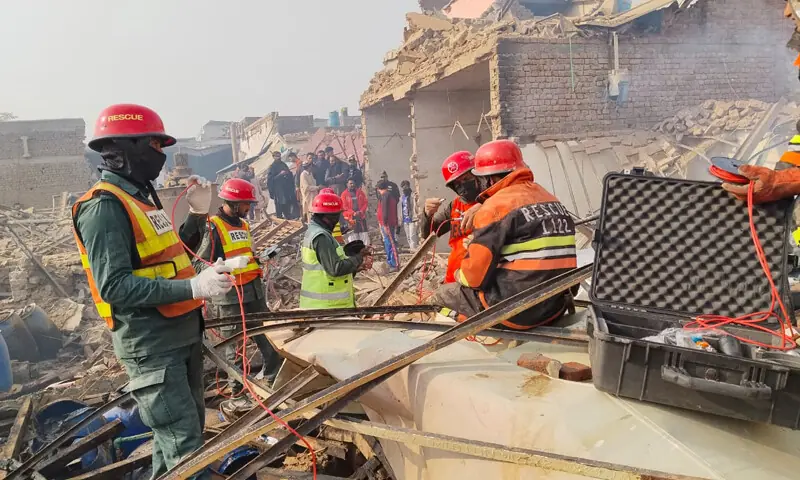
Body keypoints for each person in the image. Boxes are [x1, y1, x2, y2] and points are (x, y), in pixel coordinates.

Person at [72, 104, 233, 478]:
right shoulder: (104, 206)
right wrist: (193, 286)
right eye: (155, 145)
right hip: (153, 346)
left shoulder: (142, 198)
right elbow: (115, 285)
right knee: (186, 452)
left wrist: (196, 215)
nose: (161, 155)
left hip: (180, 337)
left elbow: (172, 256)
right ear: (125, 148)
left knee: (175, 441)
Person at [432, 140, 577, 330]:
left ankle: (482, 332)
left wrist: (460, 273)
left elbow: (474, 279)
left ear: (489, 179)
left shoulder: (494, 208)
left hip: (518, 313)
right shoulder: (552, 200)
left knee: (440, 296)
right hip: (556, 306)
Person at [192, 178, 281, 393]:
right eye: (245, 204)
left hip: (253, 290)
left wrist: (258, 259)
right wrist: (225, 266)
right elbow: (198, 264)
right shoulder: (213, 226)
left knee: (267, 334)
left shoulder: (244, 225)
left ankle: (274, 377)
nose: (248, 208)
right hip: (230, 296)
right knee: (235, 346)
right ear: (233, 203)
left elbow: (245, 254)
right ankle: (237, 391)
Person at [300, 191, 373, 309]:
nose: (338, 221)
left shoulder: (315, 232)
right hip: (326, 306)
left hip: (322, 305)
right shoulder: (321, 237)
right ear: (329, 217)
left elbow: (325, 268)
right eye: (337, 216)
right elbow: (335, 269)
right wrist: (359, 258)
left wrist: (356, 266)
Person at [421, 151, 481, 283]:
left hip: (475, 279)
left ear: (477, 175)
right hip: (453, 278)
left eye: (466, 178)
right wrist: (427, 214)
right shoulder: (455, 205)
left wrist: (484, 206)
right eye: (457, 183)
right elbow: (430, 233)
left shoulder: (494, 200)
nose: (463, 185)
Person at [376, 173, 401, 272]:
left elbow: (385, 210)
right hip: (388, 222)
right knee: (388, 242)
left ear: (379, 189)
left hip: (387, 223)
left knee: (390, 243)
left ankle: (394, 264)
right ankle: (391, 262)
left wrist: (385, 222)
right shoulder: (389, 195)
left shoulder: (385, 195)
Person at [267, 151, 300, 220]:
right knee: (280, 204)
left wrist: (288, 174)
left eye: (279, 156)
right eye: (276, 156)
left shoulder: (283, 164)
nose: (278, 157)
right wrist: (280, 174)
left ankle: (288, 217)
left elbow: (289, 173)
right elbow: (270, 180)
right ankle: (280, 218)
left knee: (287, 203)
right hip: (278, 189)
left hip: (286, 188)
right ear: (273, 157)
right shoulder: (272, 167)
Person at [341, 178, 370, 246]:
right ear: (347, 184)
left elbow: (365, 202)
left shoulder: (360, 192)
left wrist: (361, 211)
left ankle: (365, 249)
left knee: (364, 235)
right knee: (353, 237)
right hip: (350, 219)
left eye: (353, 183)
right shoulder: (344, 194)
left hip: (360, 217)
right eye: (350, 183)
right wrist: (353, 213)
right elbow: (344, 206)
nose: (352, 185)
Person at [299, 155, 321, 222]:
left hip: (314, 195)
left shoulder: (310, 173)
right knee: (311, 213)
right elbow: (307, 187)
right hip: (308, 197)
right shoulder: (303, 175)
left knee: (316, 212)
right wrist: (318, 187)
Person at [399, 180, 419, 250]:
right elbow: (401, 208)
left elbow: (416, 205)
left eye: (406, 187)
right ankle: (412, 249)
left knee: (412, 236)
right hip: (405, 219)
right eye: (403, 187)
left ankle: (414, 249)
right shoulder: (402, 197)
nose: (404, 189)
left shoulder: (413, 196)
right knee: (408, 236)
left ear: (408, 186)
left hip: (412, 219)